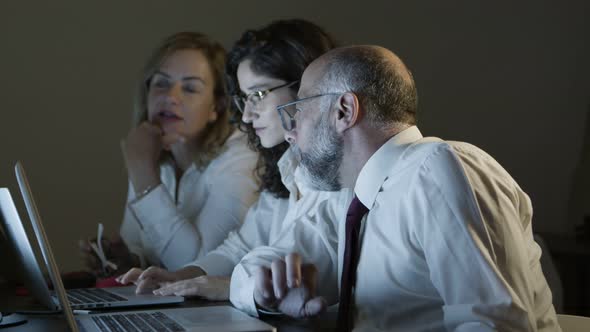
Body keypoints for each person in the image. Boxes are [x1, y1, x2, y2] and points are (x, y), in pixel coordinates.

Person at [248, 45, 561, 331]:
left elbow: (492, 325)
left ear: (343, 111)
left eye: (299, 109)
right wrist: (302, 315)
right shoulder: (362, 199)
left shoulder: (437, 169)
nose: (291, 133)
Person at [116, 19, 352, 303]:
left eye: (259, 95)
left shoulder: (342, 176)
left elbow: (304, 272)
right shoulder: (287, 167)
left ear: (307, 85)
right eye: (245, 98)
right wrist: (184, 276)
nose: (247, 116)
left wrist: (229, 286)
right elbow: (241, 246)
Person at [79, 32, 259, 277]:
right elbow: (140, 248)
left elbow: (196, 268)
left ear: (216, 108)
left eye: (190, 88)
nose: (170, 97)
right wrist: (126, 259)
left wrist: (144, 178)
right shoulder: (153, 152)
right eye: (161, 83)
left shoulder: (242, 157)